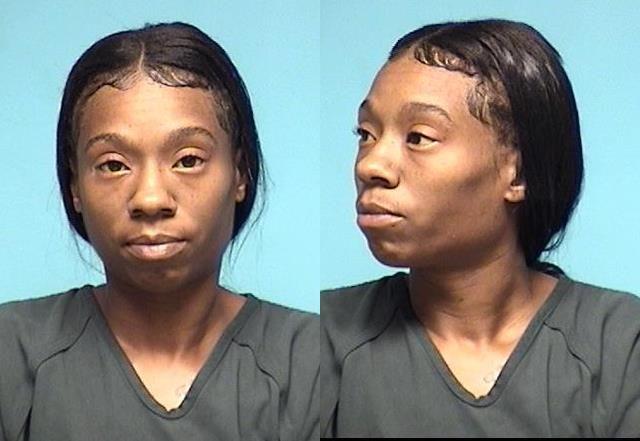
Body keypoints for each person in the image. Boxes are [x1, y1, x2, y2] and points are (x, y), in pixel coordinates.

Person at [321, 19, 640, 437]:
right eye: (366, 134)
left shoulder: (618, 344)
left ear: (518, 172)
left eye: (418, 137)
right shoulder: (323, 337)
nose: (370, 165)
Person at [0, 22, 318, 441]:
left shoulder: (311, 361)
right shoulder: (12, 353)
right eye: (113, 165)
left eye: (188, 160)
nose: (150, 199)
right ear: (75, 185)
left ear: (240, 173)